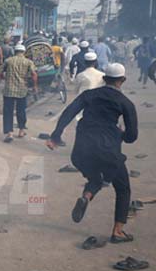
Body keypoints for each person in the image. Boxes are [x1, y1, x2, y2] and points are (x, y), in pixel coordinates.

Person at [46, 63, 138, 243]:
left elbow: (68, 113)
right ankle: (118, 232)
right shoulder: (125, 103)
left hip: (81, 153)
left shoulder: (88, 95)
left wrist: (55, 136)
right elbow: (131, 137)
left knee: (96, 179)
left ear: (104, 78)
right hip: (108, 152)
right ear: (123, 80)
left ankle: (86, 197)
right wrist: (120, 133)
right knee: (123, 188)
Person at [0, 44, 38, 143]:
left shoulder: (8, 60)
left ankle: (9, 133)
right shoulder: (28, 62)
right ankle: (21, 130)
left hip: (9, 90)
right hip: (22, 90)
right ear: (23, 52)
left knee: (8, 112)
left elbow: (0, 71)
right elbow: (34, 74)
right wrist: (35, 86)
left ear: (15, 51)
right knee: (21, 110)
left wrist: (0, 79)